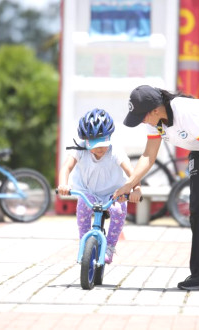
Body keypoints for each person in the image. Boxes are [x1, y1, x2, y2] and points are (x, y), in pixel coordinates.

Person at [113, 85, 199, 293]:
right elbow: (148, 156)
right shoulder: (155, 122)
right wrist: (129, 183)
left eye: (141, 116)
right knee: (197, 210)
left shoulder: (185, 112)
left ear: (154, 109)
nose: (141, 121)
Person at [58, 108, 141, 264]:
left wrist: (136, 189)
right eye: (94, 144)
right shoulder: (80, 149)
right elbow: (66, 167)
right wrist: (63, 184)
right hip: (88, 192)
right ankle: (84, 242)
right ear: (86, 141)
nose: (99, 148)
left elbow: (131, 171)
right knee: (83, 206)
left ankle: (110, 246)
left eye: (103, 143)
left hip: (113, 193)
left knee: (118, 209)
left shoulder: (115, 151)